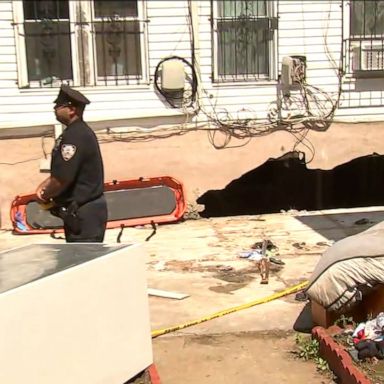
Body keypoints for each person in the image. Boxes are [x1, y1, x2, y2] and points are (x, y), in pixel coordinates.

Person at [35, 85, 107, 242]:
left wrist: (45, 194)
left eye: (58, 106)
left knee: (84, 260)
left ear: (71, 109)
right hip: (81, 211)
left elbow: (62, 179)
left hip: (84, 212)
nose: (54, 109)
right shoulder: (76, 133)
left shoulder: (75, 136)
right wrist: (45, 184)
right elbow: (65, 170)